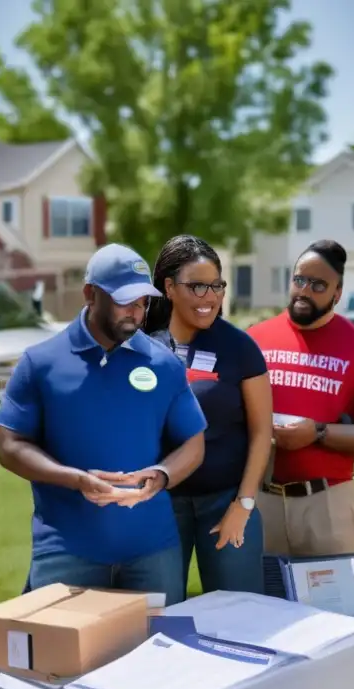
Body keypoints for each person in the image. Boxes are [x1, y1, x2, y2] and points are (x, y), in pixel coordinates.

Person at [0, 243, 207, 606]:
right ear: (90, 294)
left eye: (143, 302)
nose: (136, 312)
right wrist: (74, 479)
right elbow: (10, 446)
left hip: (153, 550)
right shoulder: (39, 362)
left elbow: (194, 443)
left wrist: (162, 474)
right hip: (66, 549)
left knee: (158, 658)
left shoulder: (164, 364)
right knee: (62, 660)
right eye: (125, 300)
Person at [246, 239, 354, 556]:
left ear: (338, 293)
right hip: (262, 499)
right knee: (260, 603)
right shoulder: (255, 339)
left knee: (331, 605)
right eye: (299, 279)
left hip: (327, 504)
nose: (304, 291)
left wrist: (319, 433)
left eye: (318, 284)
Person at [145, 235, 274, 594]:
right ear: (169, 287)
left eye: (216, 286)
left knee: (239, 616)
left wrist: (243, 504)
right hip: (160, 506)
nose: (210, 297)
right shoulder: (143, 347)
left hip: (226, 501)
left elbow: (262, 432)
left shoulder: (240, 347)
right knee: (160, 615)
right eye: (197, 286)